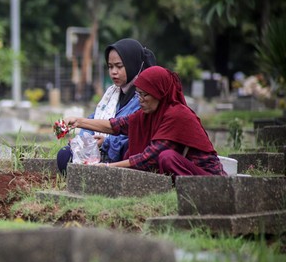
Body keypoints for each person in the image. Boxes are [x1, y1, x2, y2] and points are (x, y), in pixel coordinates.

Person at [63, 65, 226, 178]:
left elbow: (150, 157)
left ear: (160, 93)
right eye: (138, 94)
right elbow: (117, 125)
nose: (140, 100)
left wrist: (106, 168)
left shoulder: (177, 115)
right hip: (182, 171)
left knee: (167, 157)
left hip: (206, 176)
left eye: (145, 95)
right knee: (131, 150)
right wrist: (79, 122)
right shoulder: (149, 113)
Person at [56, 38, 156, 174]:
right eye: (110, 66)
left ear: (132, 64)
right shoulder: (113, 92)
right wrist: (83, 139)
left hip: (122, 153)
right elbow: (95, 117)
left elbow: (134, 132)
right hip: (101, 147)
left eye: (119, 66)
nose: (114, 72)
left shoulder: (144, 97)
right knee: (65, 154)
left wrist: (106, 142)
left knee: (69, 158)